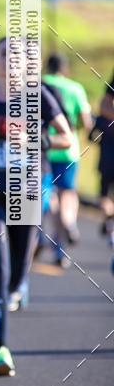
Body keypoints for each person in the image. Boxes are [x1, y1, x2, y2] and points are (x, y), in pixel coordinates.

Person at [0, 37, 72, 377]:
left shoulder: (38, 96)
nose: (10, 63)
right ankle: (1, 350)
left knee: (16, 277)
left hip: (24, 190)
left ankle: (11, 294)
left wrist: (37, 140)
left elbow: (67, 137)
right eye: (3, 56)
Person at [42, 54, 93, 261]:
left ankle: (58, 246)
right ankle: (69, 222)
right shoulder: (76, 88)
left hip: (45, 148)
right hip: (69, 149)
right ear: (65, 68)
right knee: (67, 192)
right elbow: (86, 123)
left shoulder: (41, 85)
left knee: (51, 196)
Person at [93, 70, 114, 272]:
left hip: (107, 157)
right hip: (108, 155)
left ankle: (109, 223)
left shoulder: (104, 114)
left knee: (105, 196)